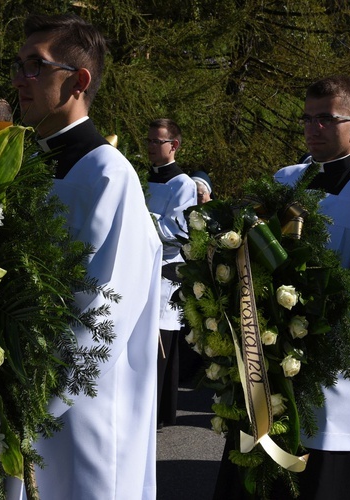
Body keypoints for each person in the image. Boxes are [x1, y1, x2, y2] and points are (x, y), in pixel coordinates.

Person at [214, 75, 350, 500]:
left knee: (317, 476)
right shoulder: (286, 179)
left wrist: (315, 347)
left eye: (326, 119)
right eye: (307, 118)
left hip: (328, 366)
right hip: (267, 355)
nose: (313, 128)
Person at [10, 14, 162, 500]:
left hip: (79, 408)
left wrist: (33, 399)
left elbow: (101, 313)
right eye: (17, 65)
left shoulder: (107, 175)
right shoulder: (26, 163)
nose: (19, 79)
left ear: (78, 81)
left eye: (36, 66)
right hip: (18, 389)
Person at [145, 118, 196, 428]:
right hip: (142, 268)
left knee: (161, 343)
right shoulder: (142, 179)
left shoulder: (183, 184)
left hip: (166, 272)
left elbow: (178, 230)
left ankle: (159, 412)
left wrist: (143, 221)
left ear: (173, 145)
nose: (150, 147)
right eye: (148, 141)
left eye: (157, 142)